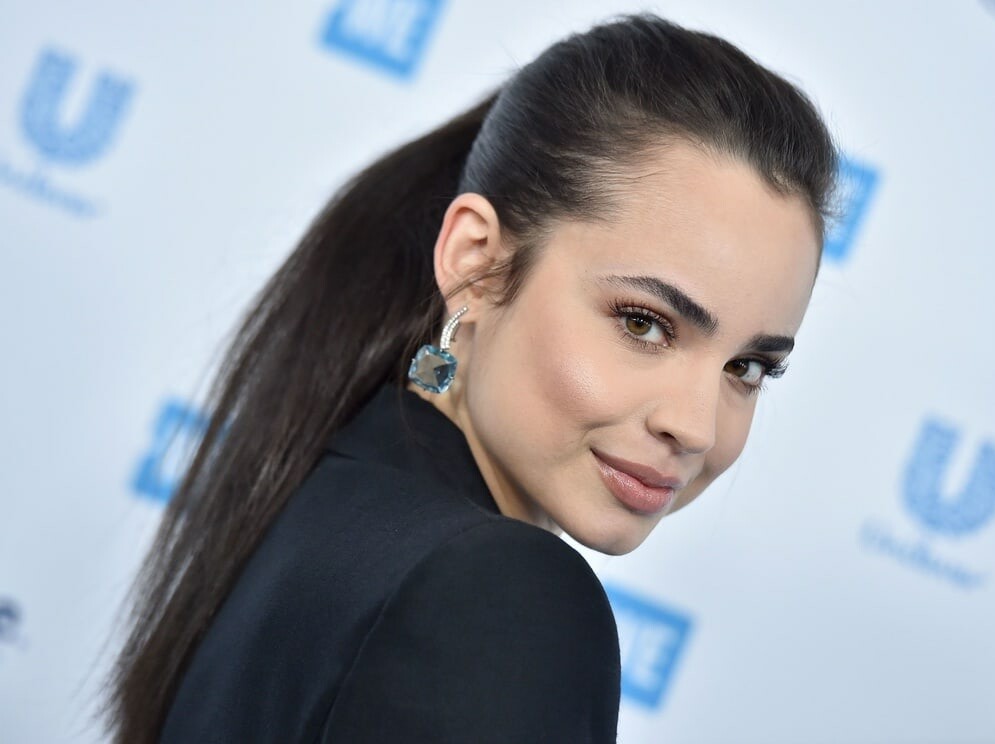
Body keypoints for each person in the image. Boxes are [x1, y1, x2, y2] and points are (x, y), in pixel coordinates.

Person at [99, 11, 838, 743]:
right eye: (644, 324)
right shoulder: (502, 596)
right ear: (476, 264)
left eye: (748, 368)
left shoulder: (319, 489)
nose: (696, 427)